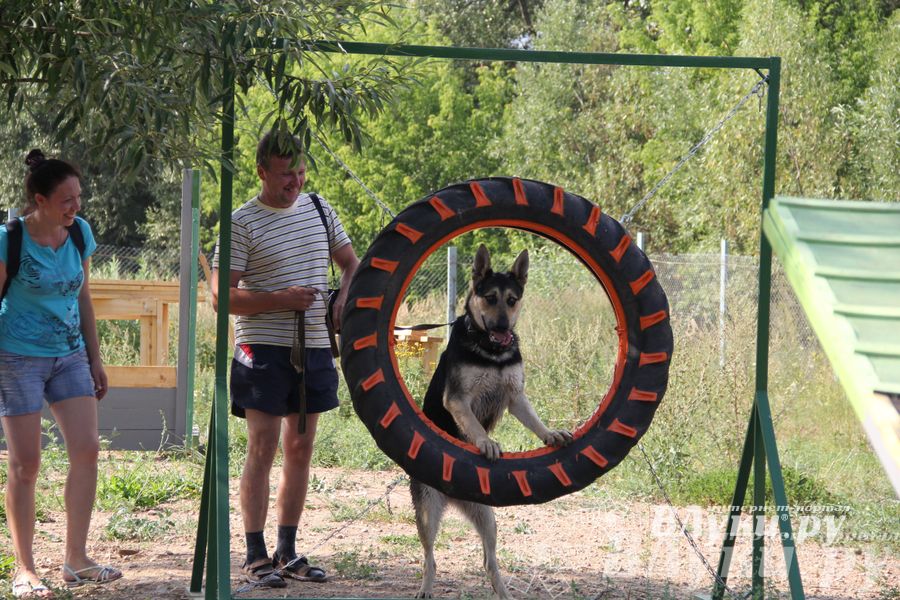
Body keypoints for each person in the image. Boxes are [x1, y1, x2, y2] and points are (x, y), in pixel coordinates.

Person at [211, 131, 359, 588]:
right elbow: (221, 296)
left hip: (314, 346)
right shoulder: (242, 223)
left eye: (299, 172)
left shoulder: (320, 209)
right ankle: (255, 555)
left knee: (300, 447)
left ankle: (288, 551)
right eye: (284, 175)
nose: (294, 182)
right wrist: (280, 299)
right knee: (263, 446)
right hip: (262, 347)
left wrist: (341, 300)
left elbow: (353, 264)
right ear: (261, 172)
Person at [0, 150, 122, 598]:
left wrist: (95, 358)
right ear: (40, 200)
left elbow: (84, 298)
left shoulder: (80, 234)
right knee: (25, 464)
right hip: (17, 358)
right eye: (67, 199)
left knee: (87, 450)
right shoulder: (9, 239)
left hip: (70, 356)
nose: (76, 206)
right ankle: (24, 569)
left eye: (79, 196)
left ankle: (76, 559)